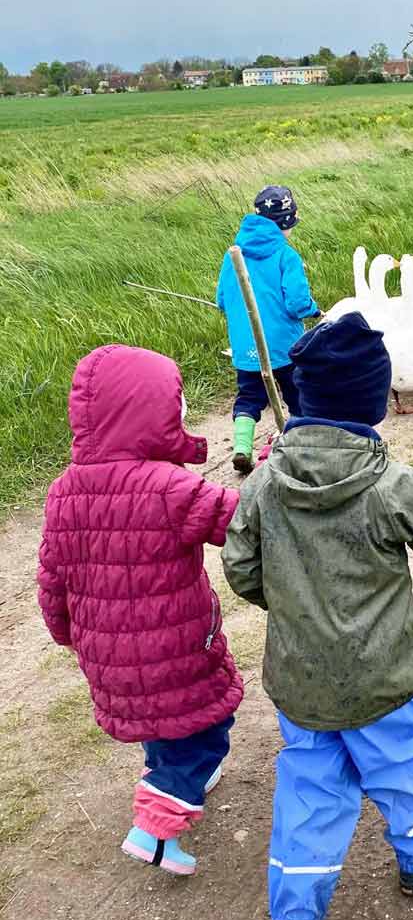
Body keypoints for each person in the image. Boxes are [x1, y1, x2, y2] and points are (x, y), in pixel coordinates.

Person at [222, 311, 413, 920]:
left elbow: (240, 568)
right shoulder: (391, 483)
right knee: (402, 768)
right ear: (375, 407)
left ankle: (297, 918)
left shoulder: (262, 485)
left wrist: (287, 606)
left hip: (301, 682)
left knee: (310, 787)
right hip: (382, 681)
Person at [37, 345, 243, 876]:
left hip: (107, 656)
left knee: (161, 722)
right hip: (176, 649)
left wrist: (69, 633)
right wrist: (272, 473)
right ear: (148, 416)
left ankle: (172, 776)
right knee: (206, 726)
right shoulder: (168, 486)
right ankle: (154, 828)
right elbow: (234, 521)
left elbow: (52, 577)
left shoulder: (63, 493)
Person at [217, 184, 321, 475]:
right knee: (297, 394)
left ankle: (242, 449)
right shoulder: (286, 255)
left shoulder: (233, 254)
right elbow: (298, 302)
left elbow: (221, 300)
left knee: (248, 397)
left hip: (245, 346)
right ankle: (303, 446)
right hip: (285, 346)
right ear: (286, 222)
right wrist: (314, 310)